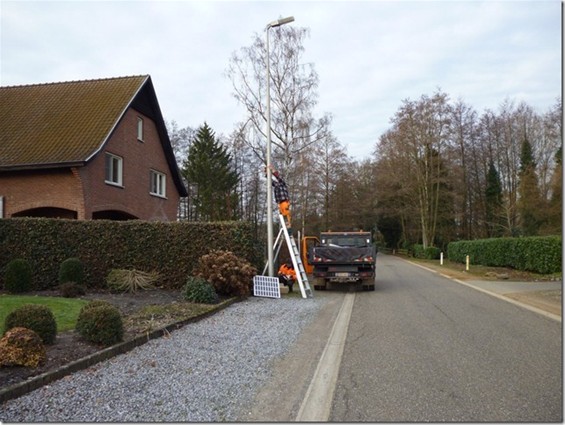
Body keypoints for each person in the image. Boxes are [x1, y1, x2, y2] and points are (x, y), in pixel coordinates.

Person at [267, 164, 292, 229]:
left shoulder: (282, 184)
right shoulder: (276, 185)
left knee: (286, 214)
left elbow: (278, 177)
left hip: (284, 201)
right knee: (282, 215)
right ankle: (285, 226)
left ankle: (288, 226)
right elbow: (271, 181)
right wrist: (266, 174)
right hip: (280, 202)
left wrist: (272, 170)